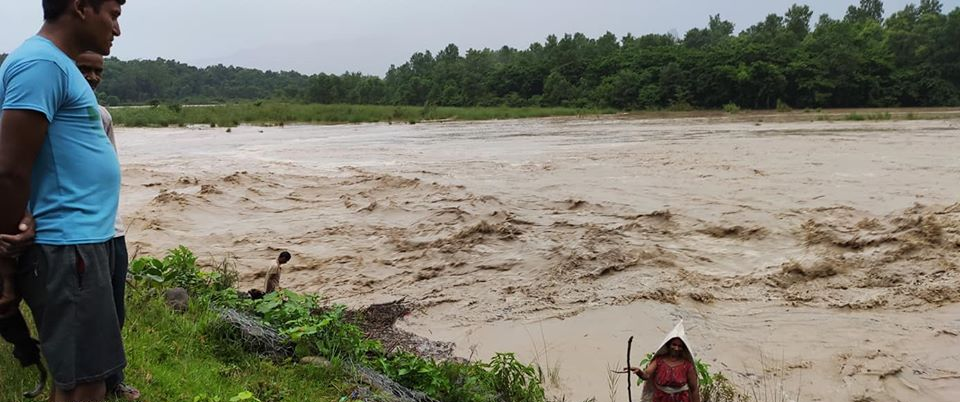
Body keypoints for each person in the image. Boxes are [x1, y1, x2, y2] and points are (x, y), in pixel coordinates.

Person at [0, 0, 126, 401]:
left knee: (78, 378)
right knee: (84, 387)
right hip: (68, 247)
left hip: (81, 244)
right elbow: (9, 168)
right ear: (81, 7)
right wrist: (2, 264)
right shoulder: (42, 65)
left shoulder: (57, 67)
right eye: (114, 14)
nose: (117, 29)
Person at [76, 50, 140, 401]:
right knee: (87, 312)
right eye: (83, 69)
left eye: (97, 71)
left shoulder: (102, 115)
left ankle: (113, 379)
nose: (92, 77)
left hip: (112, 228)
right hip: (80, 232)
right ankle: (85, 380)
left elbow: (110, 169)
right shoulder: (58, 113)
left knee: (116, 309)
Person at [626, 321, 701, 402]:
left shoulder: (687, 366)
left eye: (680, 346)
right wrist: (639, 372)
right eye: (674, 345)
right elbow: (646, 375)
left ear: (683, 349)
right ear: (668, 345)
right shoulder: (659, 361)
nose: (676, 348)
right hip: (660, 399)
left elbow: (694, 389)